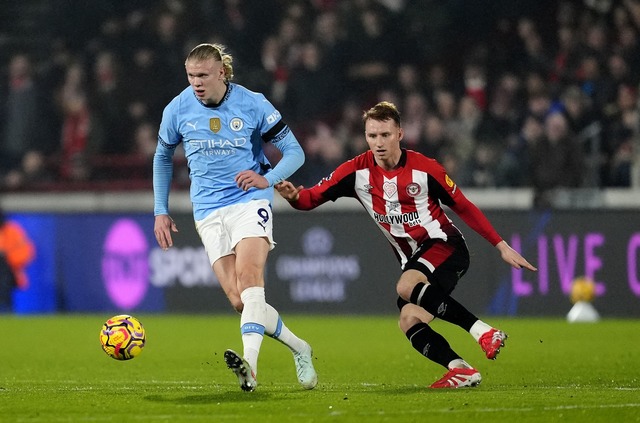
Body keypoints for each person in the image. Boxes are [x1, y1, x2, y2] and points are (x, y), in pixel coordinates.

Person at [275, 101, 537, 388]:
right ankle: (460, 368)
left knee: (405, 286)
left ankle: (484, 332)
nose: (378, 142)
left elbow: (463, 206)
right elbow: (310, 199)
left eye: (385, 135)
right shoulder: (356, 172)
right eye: (372, 136)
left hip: (445, 246)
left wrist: (500, 245)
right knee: (409, 318)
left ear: (400, 133)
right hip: (415, 260)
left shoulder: (426, 169)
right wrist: (293, 197)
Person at [153, 43, 317, 392]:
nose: (196, 83)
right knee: (240, 300)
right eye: (191, 76)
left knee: (249, 276)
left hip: (249, 199)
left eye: (202, 76)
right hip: (208, 208)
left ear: (221, 73)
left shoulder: (253, 103)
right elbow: (162, 158)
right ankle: (300, 348)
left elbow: (295, 152)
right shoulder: (177, 109)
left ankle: (251, 369)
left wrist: (267, 179)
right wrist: (161, 211)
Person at [0, 207, 36, 312]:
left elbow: (25, 251)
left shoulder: (12, 231)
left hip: (7, 270)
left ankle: (7, 314)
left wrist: (8, 258)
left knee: (5, 295)